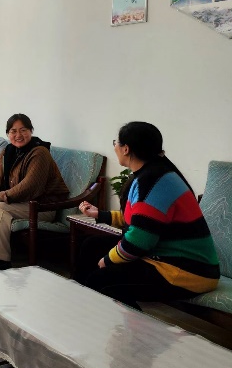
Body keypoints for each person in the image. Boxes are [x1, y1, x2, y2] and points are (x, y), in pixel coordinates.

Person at [74, 122, 219, 309]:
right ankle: (83, 306)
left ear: (126, 149)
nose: (115, 147)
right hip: (164, 256)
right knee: (91, 245)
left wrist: (107, 260)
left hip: (187, 271)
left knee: (102, 280)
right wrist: (100, 215)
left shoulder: (153, 181)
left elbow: (139, 241)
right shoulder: (152, 173)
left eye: (115, 143)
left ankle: (129, 327)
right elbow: (143, 220)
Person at [0, 113, 69, 272]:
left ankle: (0, 261)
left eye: (23, 130)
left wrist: (0, 197)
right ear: (8, 134)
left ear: (31, 131)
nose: (18, 135)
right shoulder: (9, 151)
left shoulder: (40, 152)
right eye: (13, 131)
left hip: (42, 207)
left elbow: (30, 186)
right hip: (19, 203)